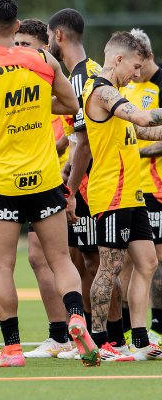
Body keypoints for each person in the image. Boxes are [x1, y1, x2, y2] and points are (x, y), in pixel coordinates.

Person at [0, 0, 95, 367]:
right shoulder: (43, 59)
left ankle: (12, 350)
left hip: (3, 181)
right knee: (60, 260)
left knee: (3, 265)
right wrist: (37, 105)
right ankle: (75, 317)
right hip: (45, 178)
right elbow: (71, 105)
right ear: (18, 26)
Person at [81, 31, 162, 360]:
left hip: (132, 193)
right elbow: (142, 116)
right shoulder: (100, 91)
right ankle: (101, 343)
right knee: (109, 267)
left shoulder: (117, 94)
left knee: (148, 262)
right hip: (110, 194)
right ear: (118, 59)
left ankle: (140, 341)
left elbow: (143, 130)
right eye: (136, 66)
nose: (138, 74)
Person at [13, 19, 76, 358]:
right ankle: (62, 334)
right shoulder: (16, 84)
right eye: (16, 45)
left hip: (61, 182)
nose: (19, 51)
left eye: (26, 45)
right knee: (39, 257)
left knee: (74, 259)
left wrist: (55, 150)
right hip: (35, 179)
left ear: (45, 46)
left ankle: (98, 333)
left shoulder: (53, 82)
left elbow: (78, 129)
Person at [48, 8, 101, 328]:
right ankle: (99, 333)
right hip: (88, 180)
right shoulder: (88, 70)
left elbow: (84, 143)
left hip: (92, 184)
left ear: (58, 36)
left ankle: (104, 335)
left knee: (96, 262)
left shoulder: (81, 77)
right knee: (87, 260)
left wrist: (70, 191)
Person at [126, 29, 162, 346]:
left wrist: (135, 151)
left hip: (155, 187)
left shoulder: (159, 85)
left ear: (148, 56)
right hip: (128, 187)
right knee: (128, 261)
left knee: (155, 260)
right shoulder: (122, 87)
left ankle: (158, 326)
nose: (135, 72)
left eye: (139, 64)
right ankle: (130, 329)